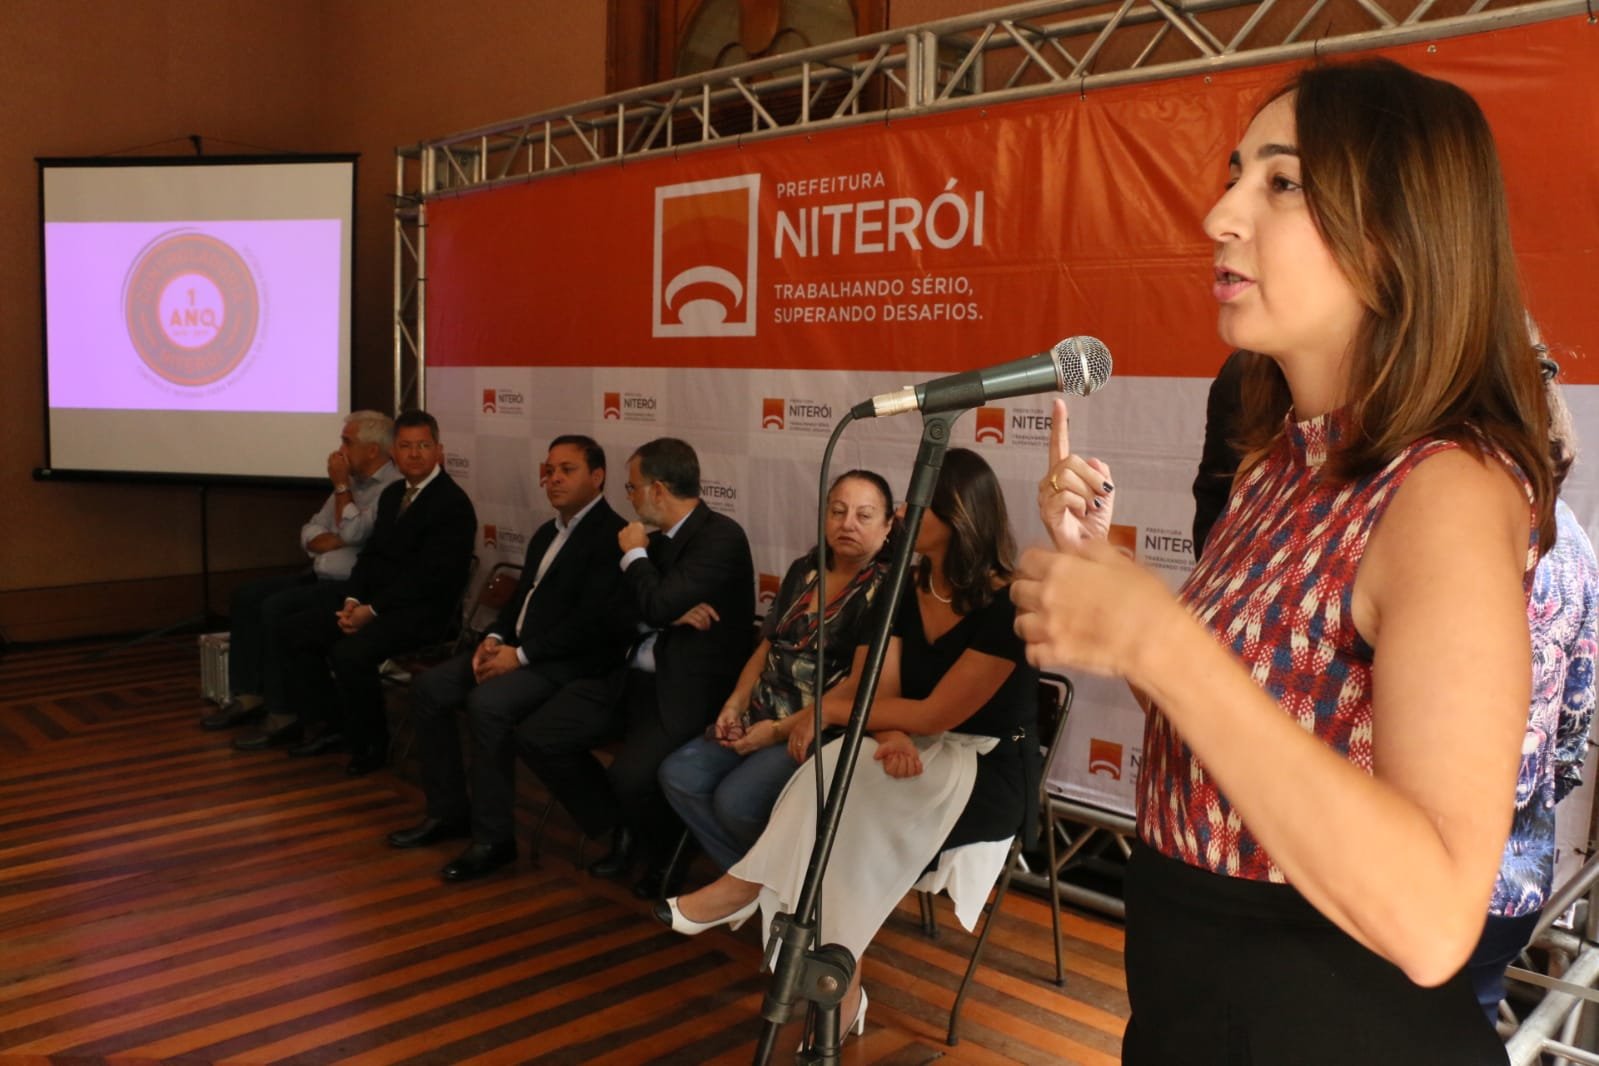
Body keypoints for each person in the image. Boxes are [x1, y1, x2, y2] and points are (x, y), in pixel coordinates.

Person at [1012, 58, 1554, 1064]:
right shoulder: (1280, 464)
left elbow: (1434, 916)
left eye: (1281, 182)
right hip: (1191, 1008)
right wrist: (1117, 604)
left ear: (1396, 232)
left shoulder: (1447, 491)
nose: (1219, 215)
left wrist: (1159, 640)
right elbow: (1243, 724)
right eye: (1234, 176)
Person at [658, 449, 1037, 1043]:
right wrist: (888, 731)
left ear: (959, 514)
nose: (905, 513)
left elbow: (940, 713)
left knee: (836, 815)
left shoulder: (1008, 601)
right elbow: (886, 690)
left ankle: (753, 891)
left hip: (985, 770)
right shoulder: (907, 583)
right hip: (910, 742)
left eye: (918, 504)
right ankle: (838, 985)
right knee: (830, 779)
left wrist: (829, 710)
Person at [386, 435, 633, 882]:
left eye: (567, 470)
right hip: (517, 648)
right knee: (430, 688)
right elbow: (521, 600)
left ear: (598, 477)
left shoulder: (611, 537)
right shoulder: (547, 532)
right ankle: (447, 812)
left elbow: (591, 625)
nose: (554, 479)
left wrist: (519, 655)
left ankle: (494, 840)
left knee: (488, 705)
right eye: (550, 470)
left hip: (565, 664)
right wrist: (494, 637)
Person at [517, 437, 754, 900]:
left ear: (658, 489)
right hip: (628, 674)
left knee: (631, 774)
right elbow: (615, 611)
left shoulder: (719, 537)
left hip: (684, 688)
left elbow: (656, 601)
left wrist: (636, 560)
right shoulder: (652, 539)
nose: (629, 497)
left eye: (632, 488)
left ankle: (665, 853)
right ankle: (619, 825)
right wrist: (662, 611)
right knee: (538, 735)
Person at [657, 469, 895, 871]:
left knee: (736, 803)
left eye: (864, 515)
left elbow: (860, 684)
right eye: (838, 511)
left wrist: (779, 730)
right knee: (679, 774)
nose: (847, 524)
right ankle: (756, 882)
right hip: (761, 710)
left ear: (888, 526)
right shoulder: (805, 569)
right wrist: (735, 704)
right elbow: (768, 645)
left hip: (820, 728)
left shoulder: (889, 589)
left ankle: (788, 883)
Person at [1465, 349, 1598, 1023]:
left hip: (1408, 888)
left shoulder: (1437, 531)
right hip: (1513, 882)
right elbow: (1571, 736)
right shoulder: (1572, 540)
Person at [236, 409, 477, 776]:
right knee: (294, 631)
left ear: (439, 451)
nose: (414, 454)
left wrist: (372, 610)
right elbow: (371, 558)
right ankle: (334, 725)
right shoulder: (394, 493)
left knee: (349, 652)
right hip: (377, 603)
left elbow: (427, 579)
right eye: (406, 446)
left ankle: (371, 746)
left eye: (424, 446)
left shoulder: (452, 504)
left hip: (422, 614)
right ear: (394, 452)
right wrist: (352, 600)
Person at [201, 411, 398, 731]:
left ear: (372, 450)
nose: (339, 450)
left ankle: (283, 712)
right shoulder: (353, 482)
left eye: (347, 442)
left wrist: (340, 489)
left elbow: (353, 532)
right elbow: (311, 530)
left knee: (276, 608)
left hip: (350, 587)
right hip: (319, 574)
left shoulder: (391, 488)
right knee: (246, 596)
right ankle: (249, 695)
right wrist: (335, 537)